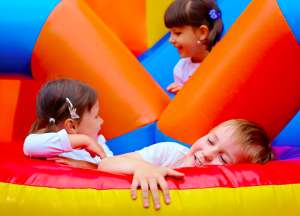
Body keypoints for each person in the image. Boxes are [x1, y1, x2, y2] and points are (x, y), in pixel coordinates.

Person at [48, 119, 276, 210]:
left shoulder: (224, 195)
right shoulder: (172, 153)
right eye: (210, 140)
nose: (207, 154)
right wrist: (142, 168)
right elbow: (107, 164)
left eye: (223, 159)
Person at [23, 78, 113, 168]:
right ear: (72, 126)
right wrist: (85, 140)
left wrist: (83, 165)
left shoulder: (98, 144)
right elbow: (29, 145)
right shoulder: (52, 146)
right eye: (96, 116)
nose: (101, 121)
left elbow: (112, 167)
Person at [165, 0, 224, 94]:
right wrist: (183, 96)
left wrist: (190, 92)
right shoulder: (181, 69)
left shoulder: (226, 56)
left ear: (202, 32)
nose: (170, 40)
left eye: (177, 33)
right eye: (170, 33)